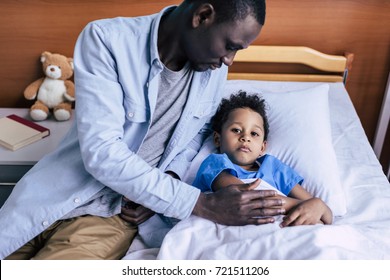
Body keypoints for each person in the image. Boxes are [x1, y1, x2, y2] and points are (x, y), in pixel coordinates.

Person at [0, 0, 286, 260]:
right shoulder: (106, 39)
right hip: (56, 192)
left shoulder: (214, 70)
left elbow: (195, 136)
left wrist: (166, 185)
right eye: (230, 45)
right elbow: (102, 153)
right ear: (202, 16)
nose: (229, 60)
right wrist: (202, 204)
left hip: (112, 214)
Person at [193, 91, 333, 227]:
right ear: (217, 139)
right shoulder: (214, 163)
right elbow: (246, 199)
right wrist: (303, 206)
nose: (245, 137)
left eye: (254, 133)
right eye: (236, 130)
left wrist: (319, 205)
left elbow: (326, 215)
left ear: (262, 147)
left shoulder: (273, 167)